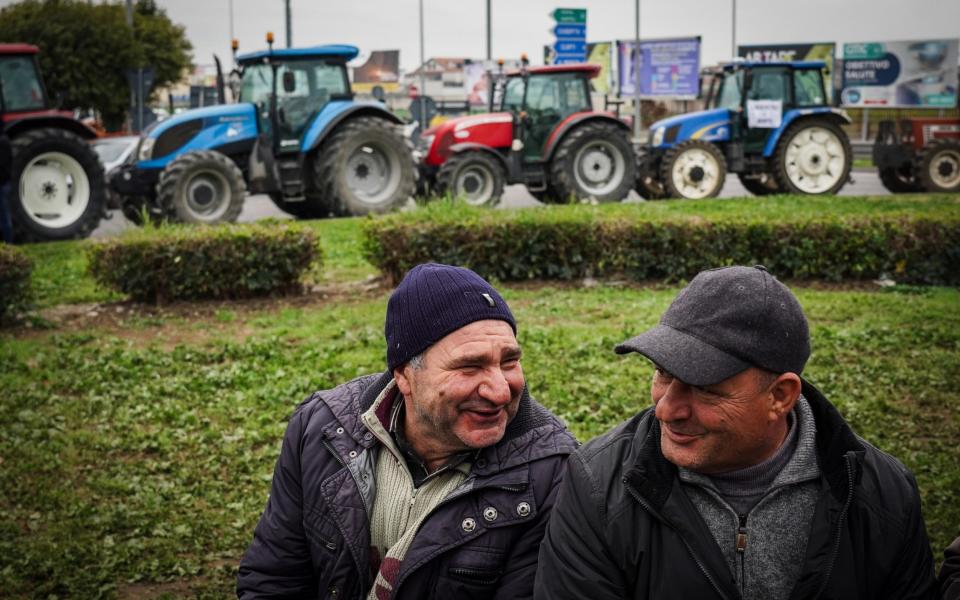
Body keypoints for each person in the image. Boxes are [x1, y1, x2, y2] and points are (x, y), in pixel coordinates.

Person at [536, 265, 939, 600]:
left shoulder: (882, 495)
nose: (666, 409)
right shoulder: (597, 486)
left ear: (780, 396)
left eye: (706, 389)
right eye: (662, 373)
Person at [238, 263, 577, 599]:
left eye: (508, 362)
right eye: (469, 366)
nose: (500, 391)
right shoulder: (322, 429)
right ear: (404, 376)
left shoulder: (554, 473)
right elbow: (275, 579)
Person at [0, 119, 13, 243]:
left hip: (2, 184)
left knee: (4, 218)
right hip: (4, 183)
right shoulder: (5, 140)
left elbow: (2, 165)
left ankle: (9, 244)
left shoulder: (2, 142)